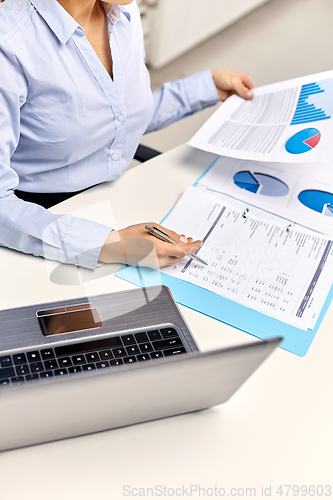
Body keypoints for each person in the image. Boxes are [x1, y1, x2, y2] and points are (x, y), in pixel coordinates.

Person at [0, 0, 255, 270]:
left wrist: (205, 88)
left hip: (115, 196)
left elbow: (118, 119)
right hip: (37, 221)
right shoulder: (10, 45)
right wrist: (111, 245)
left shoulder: (122, 11)